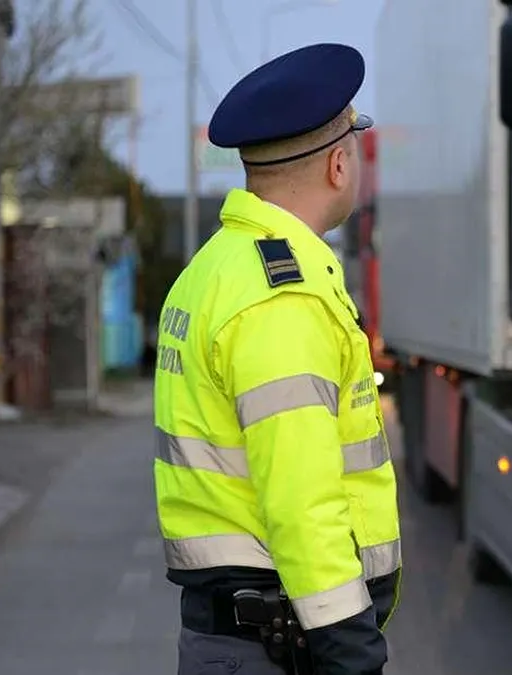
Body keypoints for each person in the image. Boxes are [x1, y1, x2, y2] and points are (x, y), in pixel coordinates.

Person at [152, 43, 401, 675]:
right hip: (275, 648)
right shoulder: (280, 298)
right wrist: (351, 649)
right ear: (340, 165)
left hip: (238, 642)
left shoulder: (211, 270)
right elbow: (300, 499)